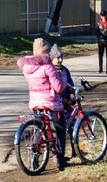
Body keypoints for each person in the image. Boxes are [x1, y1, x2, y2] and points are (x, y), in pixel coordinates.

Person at [19, 38, 70, 169]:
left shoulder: (27, 67)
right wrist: (63, 77)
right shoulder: (48, 67)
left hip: (35, 102)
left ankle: (35, 158)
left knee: (39, 128)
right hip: (51, 102)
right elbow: (58, 88)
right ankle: (60, 159)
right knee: (60, 129)